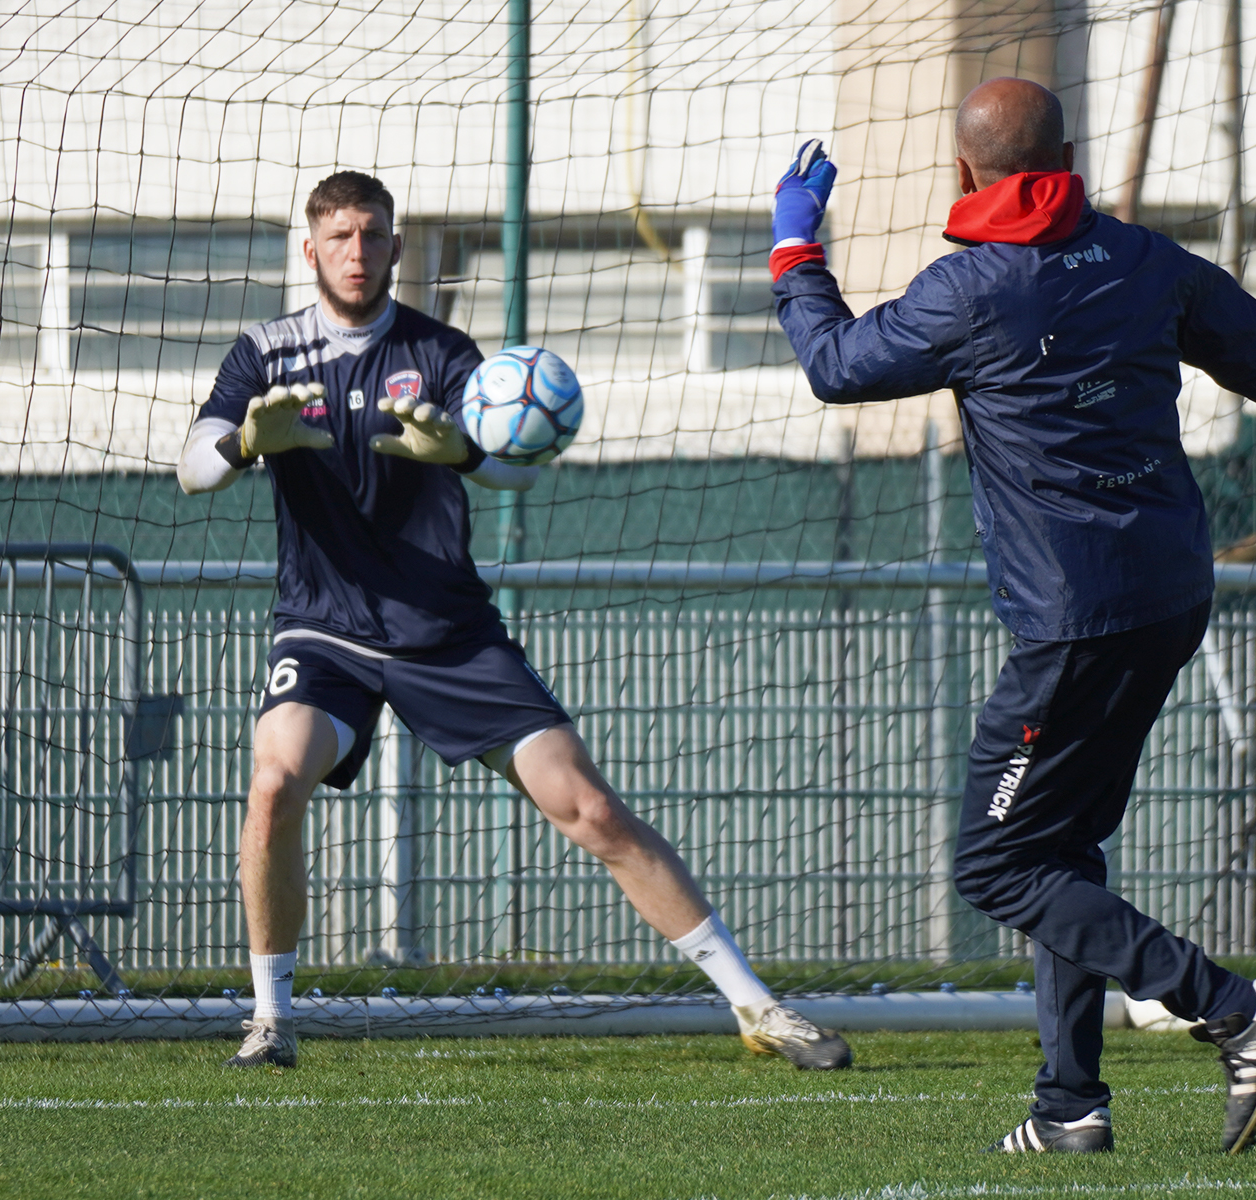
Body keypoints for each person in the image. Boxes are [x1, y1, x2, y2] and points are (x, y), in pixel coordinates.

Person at [766, 81, 1256, 1153]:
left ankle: (1234, 1010)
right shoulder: (1144, 261)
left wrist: (793, 254)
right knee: (1059, 848)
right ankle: (1069, 1108)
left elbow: (833, 366)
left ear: (966, 174)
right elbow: (1251, 340)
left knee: (997, 867)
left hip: (1071, 624)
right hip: (1171, 595)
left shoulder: (965, 290)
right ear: (1066, 155)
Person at [178, 170, 851, 1072]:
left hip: (448, 634)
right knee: (273, 784)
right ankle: (271, 1022)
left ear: (396, 246)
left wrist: (458, 449)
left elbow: (515, 469)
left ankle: (758, 1007)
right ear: (310, 249)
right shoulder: (264, 352)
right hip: (325, 628)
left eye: (371, 235)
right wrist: (244, 444)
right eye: (337, 237)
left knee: (594, 809)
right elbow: (190, 466)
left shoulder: (445, 352)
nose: (355, 252)